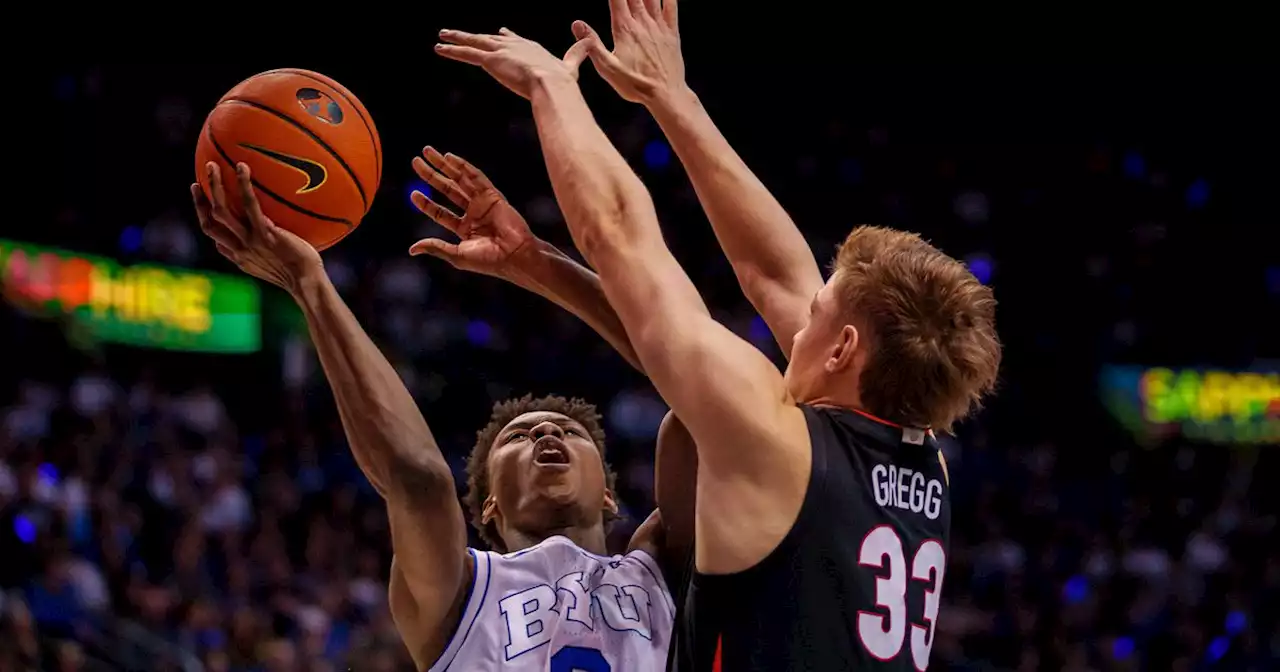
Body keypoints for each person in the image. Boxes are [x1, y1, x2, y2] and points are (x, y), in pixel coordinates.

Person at [434, 4, 1002, 669]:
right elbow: (771, 272)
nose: (798, 314)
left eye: (816, 310)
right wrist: (671, 98)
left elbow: (618, 233)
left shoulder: (776, 444)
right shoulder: (921, 457)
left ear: (844, 349)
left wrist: (552, 90)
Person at [191, 158, 695, 671]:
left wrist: (535, 260)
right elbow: (419, 478)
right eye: (518, 437)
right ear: (490, 505)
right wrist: (308, 283)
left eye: (568, 431)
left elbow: (703, 387)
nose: (547, 430)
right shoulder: (464, 587)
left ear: (609, 494)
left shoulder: (658, 564)